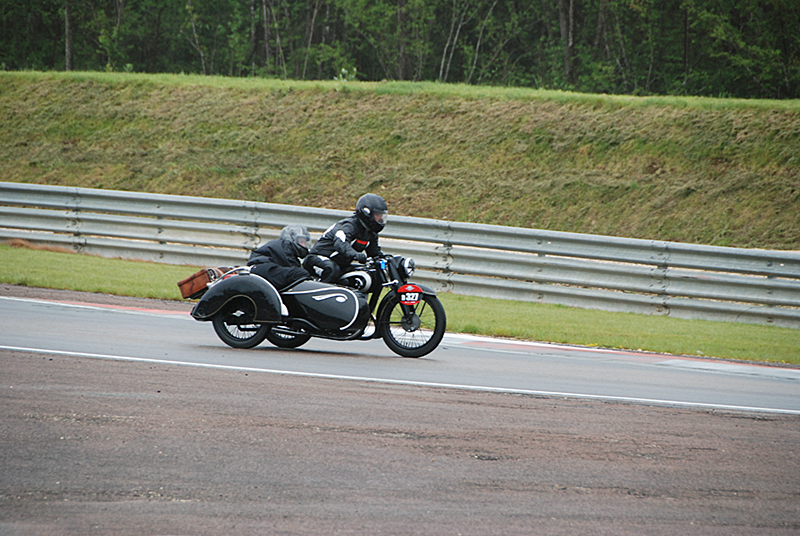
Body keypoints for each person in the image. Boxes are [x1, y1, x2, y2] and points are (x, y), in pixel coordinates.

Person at [303, 193, 388, 283]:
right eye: (378, 214)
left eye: (382, 215)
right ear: (367, 213)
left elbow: (374, 253)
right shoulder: (350, 226)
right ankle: (320, 294)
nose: (380, 218)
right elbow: (340, 243)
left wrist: (387, 259)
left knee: (365, 273)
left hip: (341, 264)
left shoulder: (370, 232)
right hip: (317, 259)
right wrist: (355, 254)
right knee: (332, 269)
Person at [247, 224, 311, 290]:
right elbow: (293, 268)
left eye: (304, 242)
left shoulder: (289, 250)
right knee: (300, 273)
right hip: (261, 270)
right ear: (291, 238)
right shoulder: (286, 246)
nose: (304, 245)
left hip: (261, 270)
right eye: (301, 241)